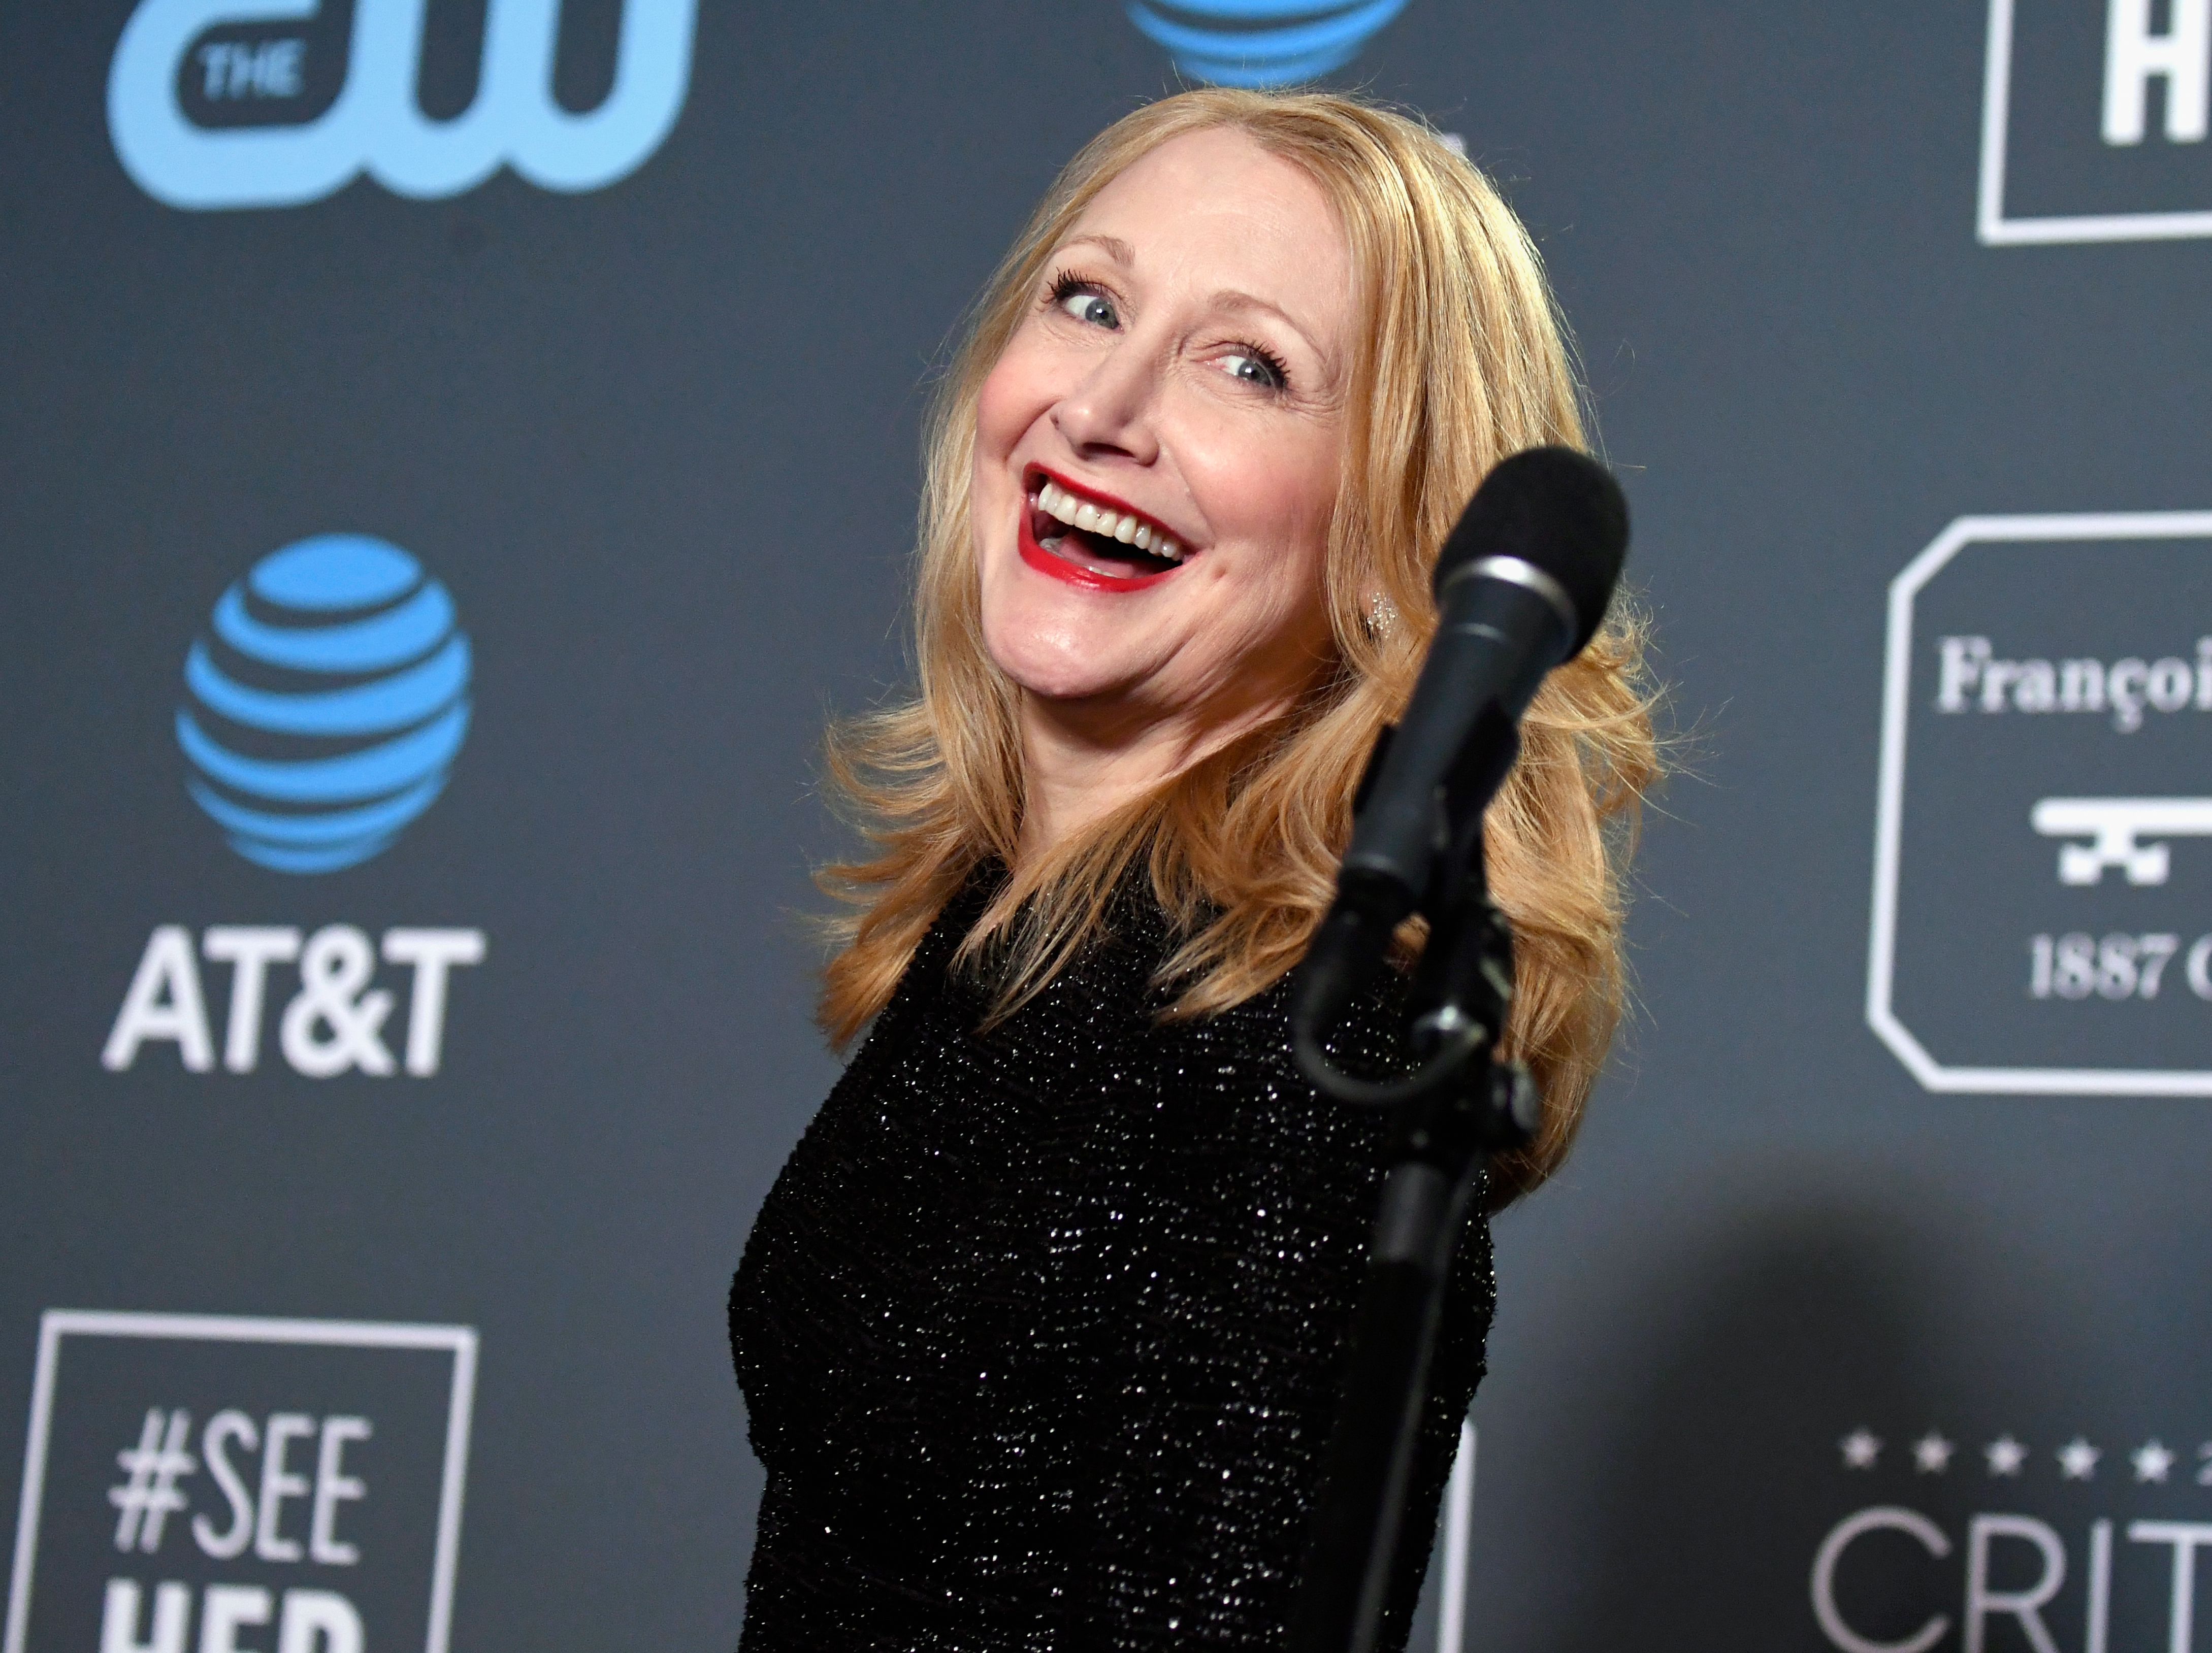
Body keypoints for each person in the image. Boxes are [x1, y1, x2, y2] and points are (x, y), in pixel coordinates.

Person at [729, 86, 1655, 1652]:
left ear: (1393, 534)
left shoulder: (1299, 1052)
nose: (1103, 404)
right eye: (1087, 300)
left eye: (1250, 367)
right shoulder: (997, 926)